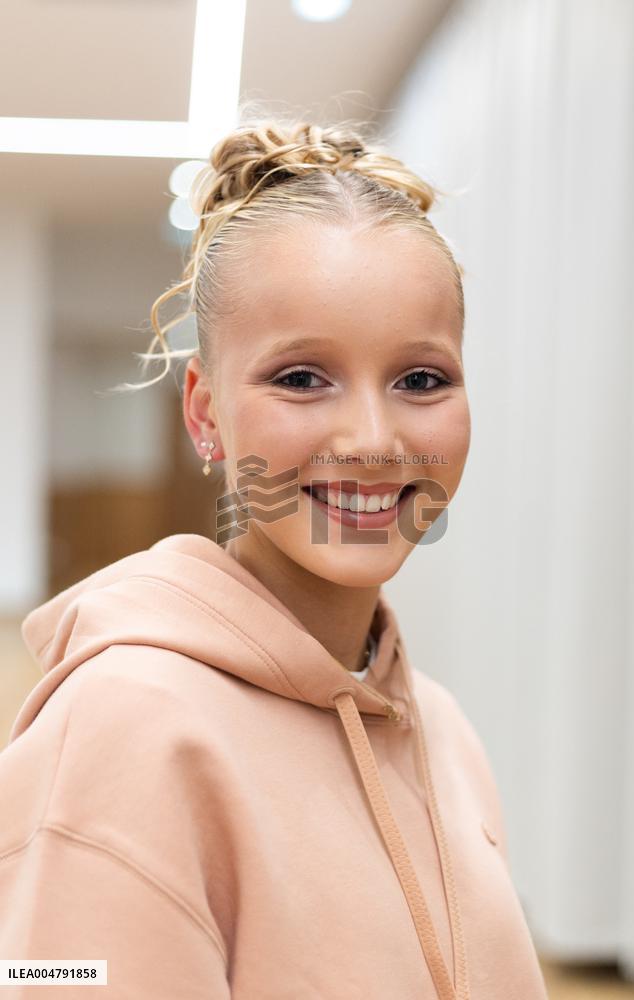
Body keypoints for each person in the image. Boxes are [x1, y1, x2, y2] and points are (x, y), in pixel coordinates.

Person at [0, 118, 549, 999]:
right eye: (302, 378)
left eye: (420, 379)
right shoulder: (120, 729)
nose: (373, 439)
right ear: (206, 413)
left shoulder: (438, 728)